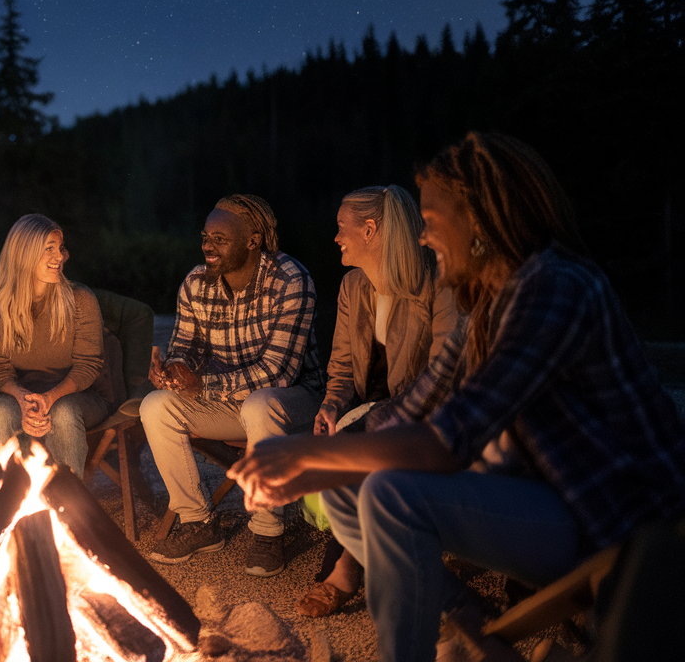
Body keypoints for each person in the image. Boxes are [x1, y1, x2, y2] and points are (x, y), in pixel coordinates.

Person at [228, 133, 685, 662]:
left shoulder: (555, 286)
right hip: (554, 502)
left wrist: (307, 454)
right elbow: (410, 408)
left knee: (390, 495)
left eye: (432, 221)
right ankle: (485, 632)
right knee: (344, 492)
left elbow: (451, 438)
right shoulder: (493, 303)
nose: (422, 238)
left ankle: (421, 651)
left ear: (480, 220)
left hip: (620, 519)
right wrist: (318, 468)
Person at [295, 185, 459, 618]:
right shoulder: (354, 286)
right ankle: (362, 563)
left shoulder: (439, 285)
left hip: (424, 414)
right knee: (339, 448)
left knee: (361, 455)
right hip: (370, 407)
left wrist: (370, 419)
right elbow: (343, 367)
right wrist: (331, 405)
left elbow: (444, 378)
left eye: (341, 228)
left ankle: (344, 570)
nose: (336, 237)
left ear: (370, 230)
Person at [141, 193, 325, 575]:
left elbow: (278, 373)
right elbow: (186, 347)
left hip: (294, 401)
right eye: (205, 236)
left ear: (253, 240)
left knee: (260, 403)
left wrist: (201, 386)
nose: (207, 245)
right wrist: (173, 370)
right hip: (231, 401)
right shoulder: (195, 283)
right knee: (155, 406)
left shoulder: (291, 280)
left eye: (219, 239)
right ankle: (199, 522)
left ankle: (267, 529)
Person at [0, 213, 117, 485]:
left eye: (60, 248)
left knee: (62, 413)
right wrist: (22, 398)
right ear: (24, 254)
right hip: (26, 393)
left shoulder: (80, 300)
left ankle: (69, 514)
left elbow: (88, 366)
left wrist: (50, 398)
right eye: (49, 249)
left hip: (81, 395)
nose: (60, 256)